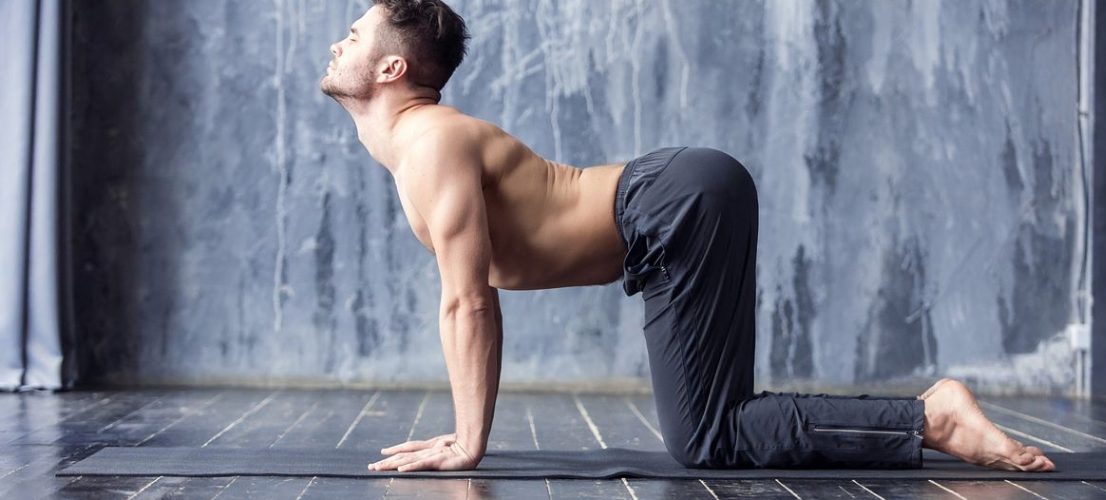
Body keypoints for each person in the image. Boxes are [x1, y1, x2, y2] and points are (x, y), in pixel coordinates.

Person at [319, 0, 1055, 474]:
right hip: (678, 204)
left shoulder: (430, 144)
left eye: (352, 34)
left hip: (669, 206)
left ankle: (934, 417)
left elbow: (468, 303)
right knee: (717, 425)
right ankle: (931, 415)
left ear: (392, 66)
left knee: (708, 440)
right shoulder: (422, 146)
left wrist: (467, 441)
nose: (336, 43)